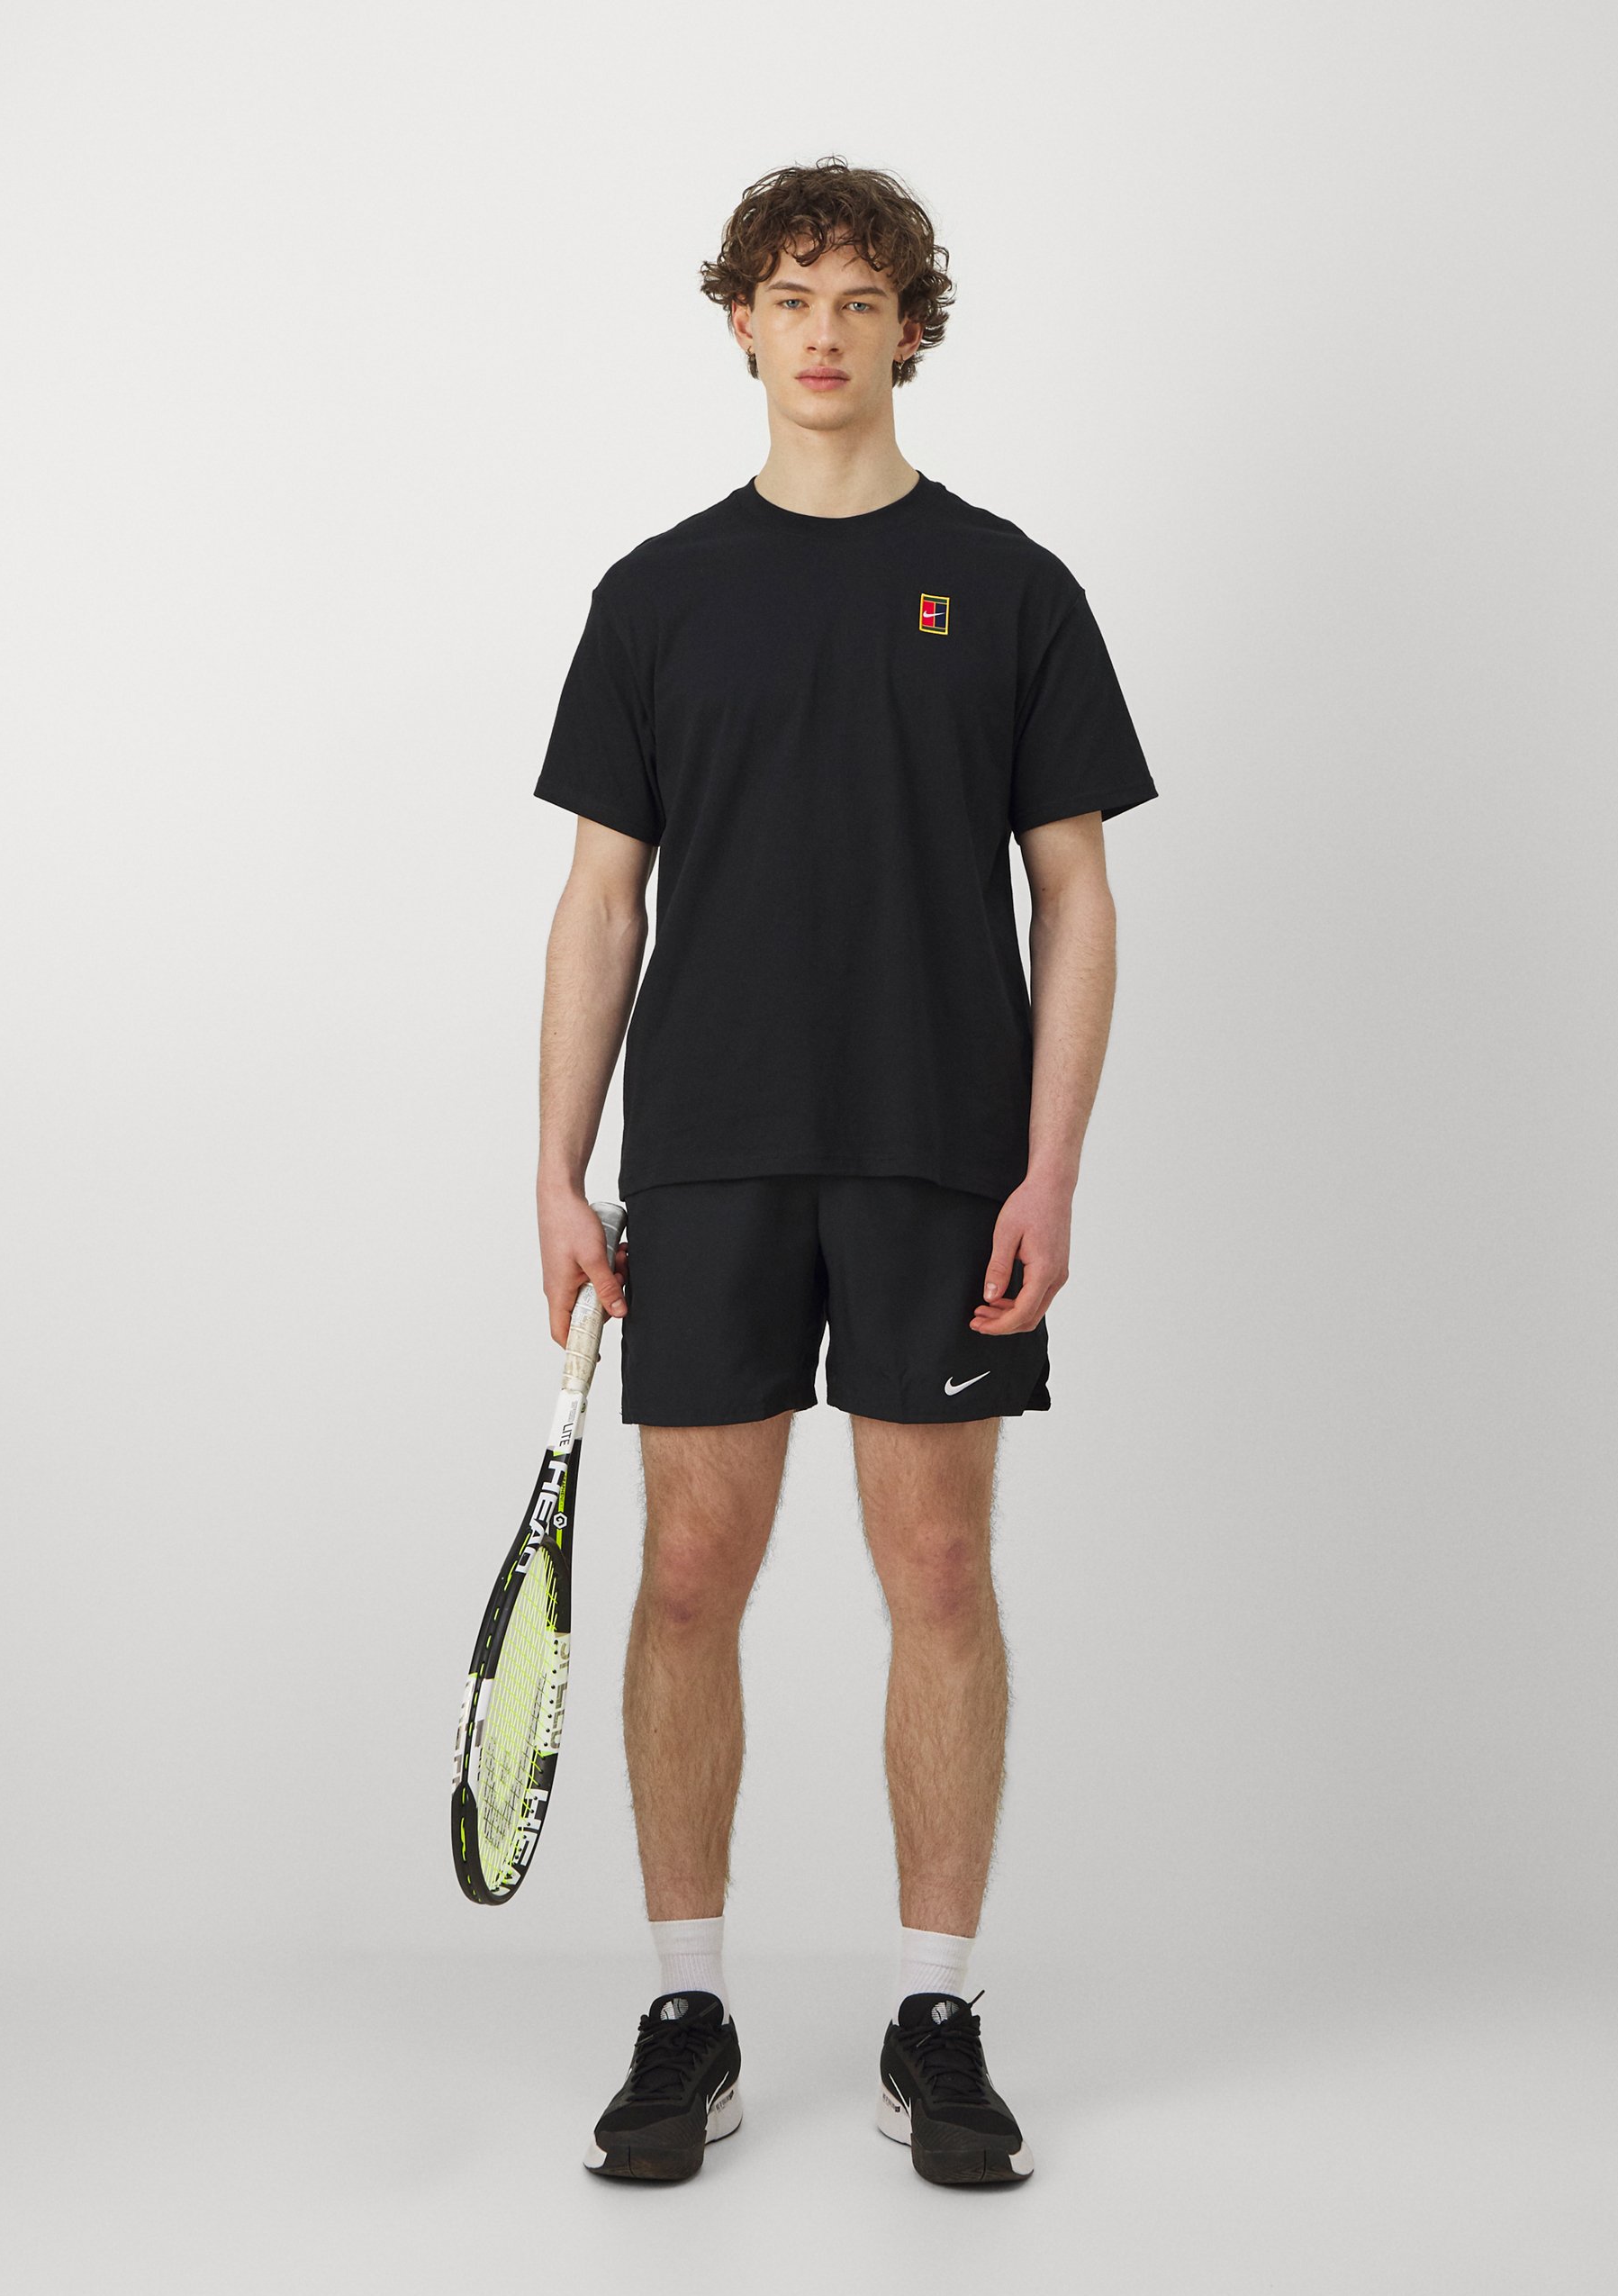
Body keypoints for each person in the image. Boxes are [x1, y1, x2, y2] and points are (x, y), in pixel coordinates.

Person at [532, 156, 1157, 2188]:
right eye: (790, 296)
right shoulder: (654, 594)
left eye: (860, 299)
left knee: (939, 1573)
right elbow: (600, 901)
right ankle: (686, 2012)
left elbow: (1075, 895)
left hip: (936, 1155)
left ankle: (936, 2017)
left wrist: (1048, 1167)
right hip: (709, 1155)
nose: (823, 331)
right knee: (686, 1575)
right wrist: (556, 1167)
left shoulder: (1010, 587)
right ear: (740, 322)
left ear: (909, 331)